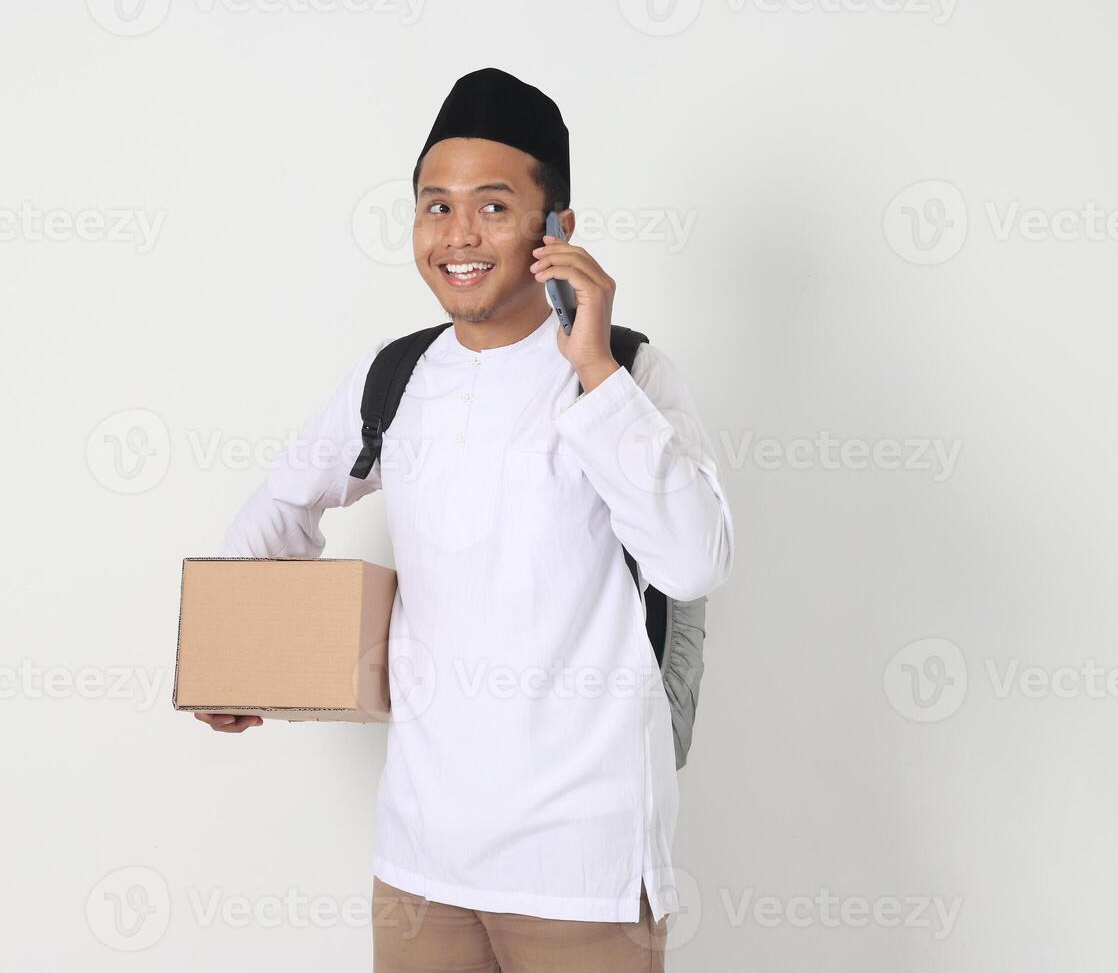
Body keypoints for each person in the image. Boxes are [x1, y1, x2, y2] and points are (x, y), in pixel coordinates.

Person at [197, 67, 733, 972]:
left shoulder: (629, 375)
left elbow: (694, 560)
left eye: (492, 206)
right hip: (420, 864)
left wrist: (593, 366)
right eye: (434, 207)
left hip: (582, 871)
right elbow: (285, 505)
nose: (458, 236)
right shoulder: (397, 375)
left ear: (556, 226)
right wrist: (227, 658)